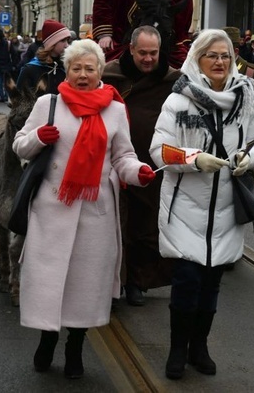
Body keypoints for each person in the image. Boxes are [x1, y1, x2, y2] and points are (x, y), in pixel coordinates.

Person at [12, 39, 155, 379]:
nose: (82, 74)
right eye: (76, 68)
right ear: (67, 70)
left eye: (89, 69)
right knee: (49, 281)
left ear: (100, 72)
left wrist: (139, 173)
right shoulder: (49, 104)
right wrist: (38, 139)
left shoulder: (115, 110)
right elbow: (20, 144)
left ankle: (76, 346)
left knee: (85, 286)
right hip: (52, 208)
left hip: (96, 212)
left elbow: (123, 156)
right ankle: (47, 339)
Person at [149, 29, 254, 380]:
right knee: (187, 280)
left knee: (212, 283)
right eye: (212, 55)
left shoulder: (244, 98)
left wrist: (251, 158)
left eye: (225, 56)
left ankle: (199, 347)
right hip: (184, 206)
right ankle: (177, 349)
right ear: (197, 59)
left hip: (227, 210)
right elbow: (159, 151)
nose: (220, 62)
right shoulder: (179, 100)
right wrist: (193, 158)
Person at [103, 26, 181, 306]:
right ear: (131, 49)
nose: (149, 59)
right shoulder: (109, 74)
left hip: (153, 165)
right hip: (112, 162)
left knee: (145, 224)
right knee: (114, 225)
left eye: (154, 53)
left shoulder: (174, 80)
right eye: (143, 53)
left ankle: (138, 280)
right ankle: (113, 283)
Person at [223, 27, 254, 127]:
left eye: (224, 51)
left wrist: (251, 137)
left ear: (235, 51)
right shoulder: (210, 69)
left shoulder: (251, 72)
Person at [17, 19, 70, 94]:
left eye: (68, 40)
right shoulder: (30, 69)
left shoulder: (66, 68)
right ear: (52, 43)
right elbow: (19, 101)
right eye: (63, 41)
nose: (66, 45)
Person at [0, 29, 13, 103]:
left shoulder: (8, 44)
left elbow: (13, 54)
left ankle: (5, 96)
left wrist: (13, 65)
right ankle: (2, 97)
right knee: (0, 83)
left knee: (3, 83)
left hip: (6, 65)